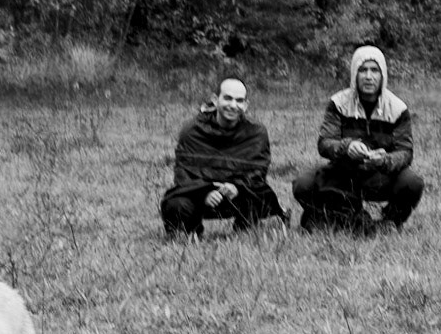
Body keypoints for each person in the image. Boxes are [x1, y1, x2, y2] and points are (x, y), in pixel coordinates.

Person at [292, 45, 423, 233]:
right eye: (363, 70)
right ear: (354, 73)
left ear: (383, 75)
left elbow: (406, 152)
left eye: (374, 70)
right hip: (342, 173)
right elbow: (324, 142)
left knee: (412, 183)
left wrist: (385, 160)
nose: (368, 76)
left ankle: (391, 221)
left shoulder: (397, 108)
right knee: (302, 184)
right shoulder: (338, 103)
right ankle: (327, 217)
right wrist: (347, 147)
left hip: (380, 175)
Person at [159, 76, 286, 237]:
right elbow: (183, 175)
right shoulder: (192, 131)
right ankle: (190, 234)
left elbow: (258, 174)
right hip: (200, 195)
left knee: (261, 195)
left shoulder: (256, 133)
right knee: (175, 203)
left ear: (246, 105)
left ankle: (246, 229)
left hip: (239, 195)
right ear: (215, 99)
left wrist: (237, 187)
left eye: (239, 101)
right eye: (227, 98)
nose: (233, 105)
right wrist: (204, 192)